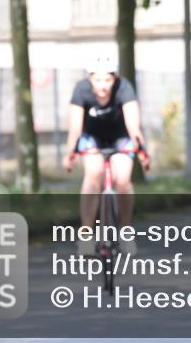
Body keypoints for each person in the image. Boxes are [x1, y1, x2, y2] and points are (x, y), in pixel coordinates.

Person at [62, 53, 146, 256]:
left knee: (123, 179)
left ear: (114, 78)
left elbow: (133, 125)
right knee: (93, 173)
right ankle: (86, 235)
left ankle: (125, 232)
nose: (103, 85)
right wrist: (70, 153)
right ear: (90, 78)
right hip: (92, 137)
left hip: (119, 136)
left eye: (107, 80)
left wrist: (142, 150)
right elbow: (75, 127)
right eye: (98, 80)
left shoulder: (124, 88)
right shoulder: (81, 90)